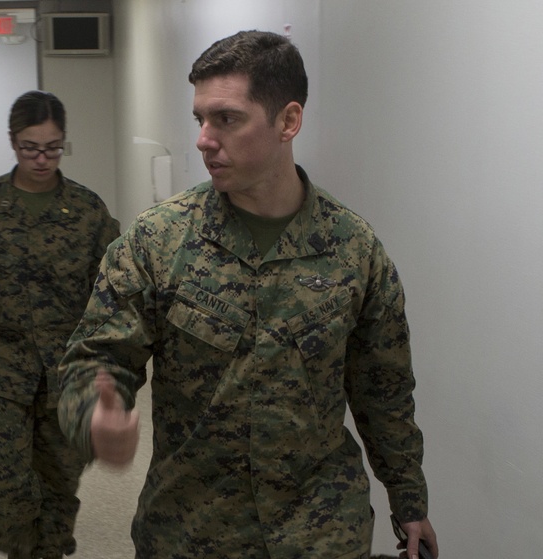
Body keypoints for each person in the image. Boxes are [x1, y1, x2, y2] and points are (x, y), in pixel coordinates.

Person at [57, 30, 439, 559]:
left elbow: (383, 391)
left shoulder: (353, 250)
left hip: (321, 529)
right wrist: (94, 419)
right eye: (200, 120)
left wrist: (409, 501)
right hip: (192, 531)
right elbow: (95, 358)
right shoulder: (158, 242)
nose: (203, 139)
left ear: (288, 121)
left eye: (227, 119)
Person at [0, 90, 120, 559]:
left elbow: (114, 295)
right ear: (13, 142)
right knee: (10, 490)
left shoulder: (88, 212)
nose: (42, 158)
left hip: (66, 375)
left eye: (53, 147)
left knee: (58, 488)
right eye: (31, 147)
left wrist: (112, 369)